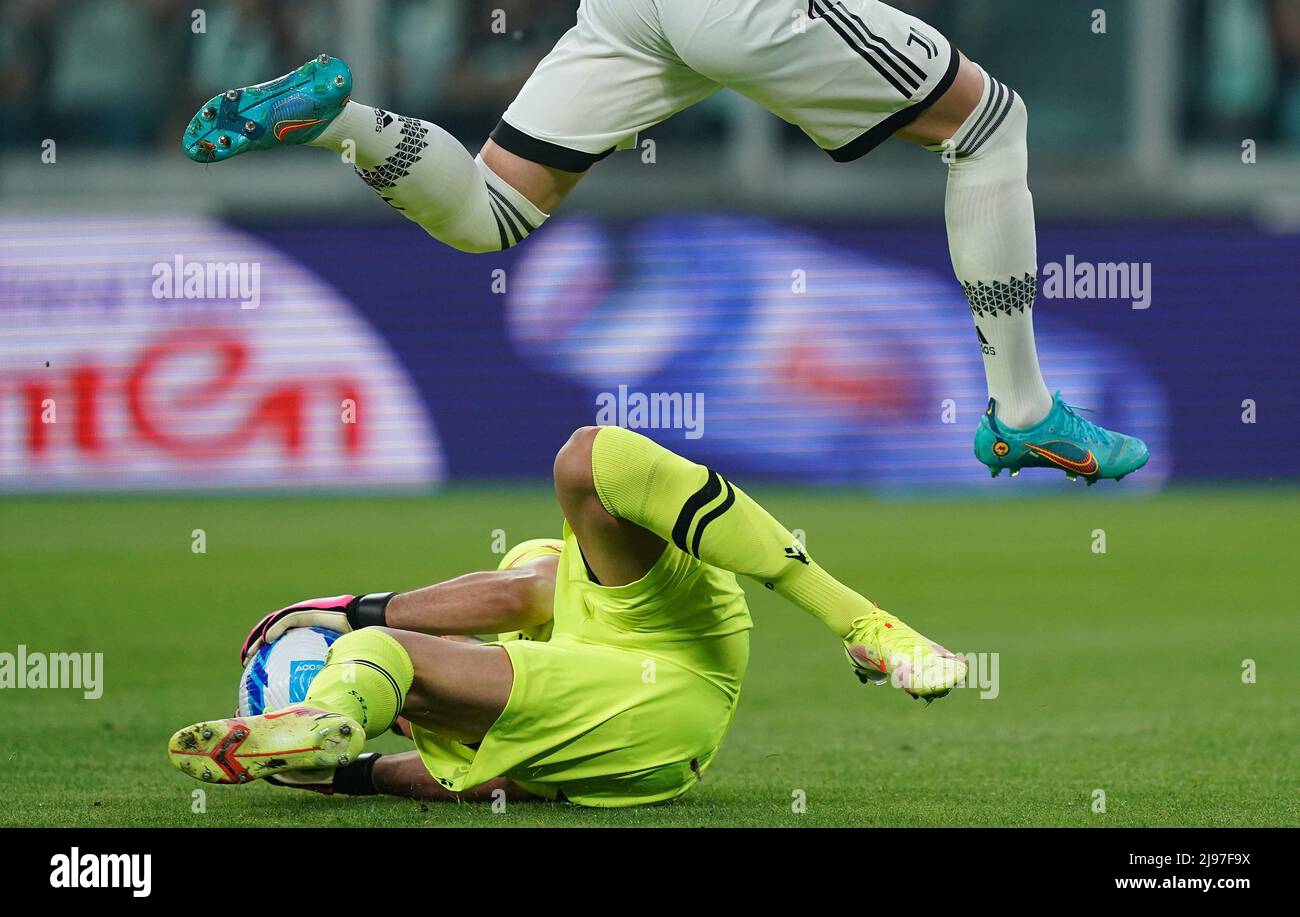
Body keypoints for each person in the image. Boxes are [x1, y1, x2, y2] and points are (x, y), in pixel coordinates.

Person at [181, 0, 1149, 482]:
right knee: (989, 125)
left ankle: (341, 123)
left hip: (628, 10)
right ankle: (1021, 409)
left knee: (490, 211)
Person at [168, 425, 966, 807]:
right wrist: (355, 628)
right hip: (660, 725)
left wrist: (354, 764)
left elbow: (518, 597)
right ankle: (332, 713)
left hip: (659, 710)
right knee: (584, 457)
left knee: (591, 460)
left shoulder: (541, 584)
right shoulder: (509, 694)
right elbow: (496, 778)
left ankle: (332, 711)